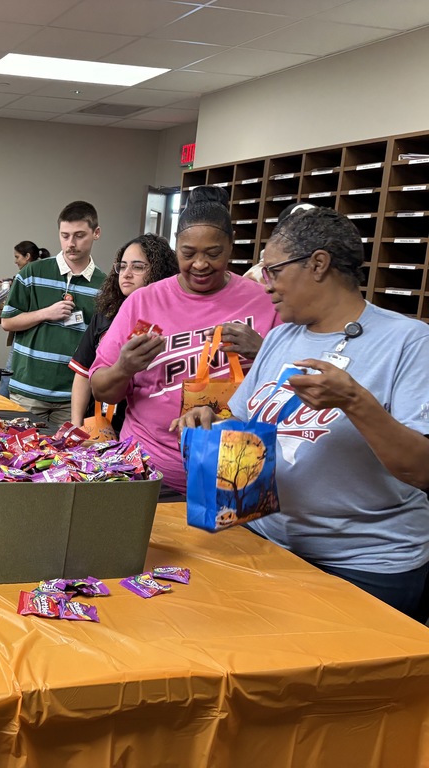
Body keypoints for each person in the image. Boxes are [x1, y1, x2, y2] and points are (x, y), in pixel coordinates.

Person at [177, 207, 429, 619]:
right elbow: (246, 428)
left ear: (318, 263)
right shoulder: (279, 337)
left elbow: (421, 470)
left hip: (364, 564)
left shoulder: (409, 342)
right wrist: (209, 421)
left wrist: (354, 402)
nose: (266, 285)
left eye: (273, 271)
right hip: (270, 542)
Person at [88, 186, 280, 494]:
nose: (200, 264)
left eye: (213, 254)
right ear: (177, 248)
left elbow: (295, 389)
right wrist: (124, 367)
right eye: (188, 254)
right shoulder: (143, 302)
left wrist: (264, 352)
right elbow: (101, 389)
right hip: (149, 474)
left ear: (230, 247)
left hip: (236, 476)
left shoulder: (264, 302)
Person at [1, 201, 106, 425]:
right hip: (27, 391)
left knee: (65, 459)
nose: (71, 243)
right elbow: (7, 322)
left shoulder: (104, 286)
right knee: (21, 457)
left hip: (72, 397)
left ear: (96, 233)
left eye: (79, 235)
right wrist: (46, 313)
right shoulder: (32, 272)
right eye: (65, 235)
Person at [68, 234, 178, 431]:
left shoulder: (172, 318)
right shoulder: (105, 314)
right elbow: (83, 373)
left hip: (142, 429)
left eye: (137, 267)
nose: (126, 273)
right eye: (122, 266)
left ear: (159, 271)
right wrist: (76, 425)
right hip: (97, 425)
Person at [0, 240, 50, 397]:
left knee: (10, 370)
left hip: (27, 331)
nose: (15, 261)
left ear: (27, 256)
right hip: (29, 331)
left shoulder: (31, 275)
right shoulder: (39, 274)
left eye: (17, 257)